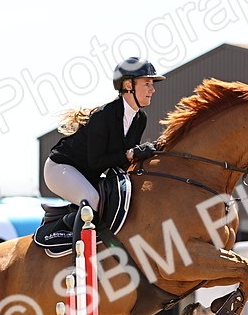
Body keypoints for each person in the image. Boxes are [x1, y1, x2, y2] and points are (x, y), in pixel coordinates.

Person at [43, 57, 165, 228]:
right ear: (128, 86)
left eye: (153, 84)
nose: (153, 89)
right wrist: (130, 154)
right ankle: (76, 250)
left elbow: (122, 163)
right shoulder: (103, 116)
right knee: (93, 200)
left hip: (88, 174)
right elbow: (96, 161)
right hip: (61, 168)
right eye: (147, 84)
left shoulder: (140, 118)